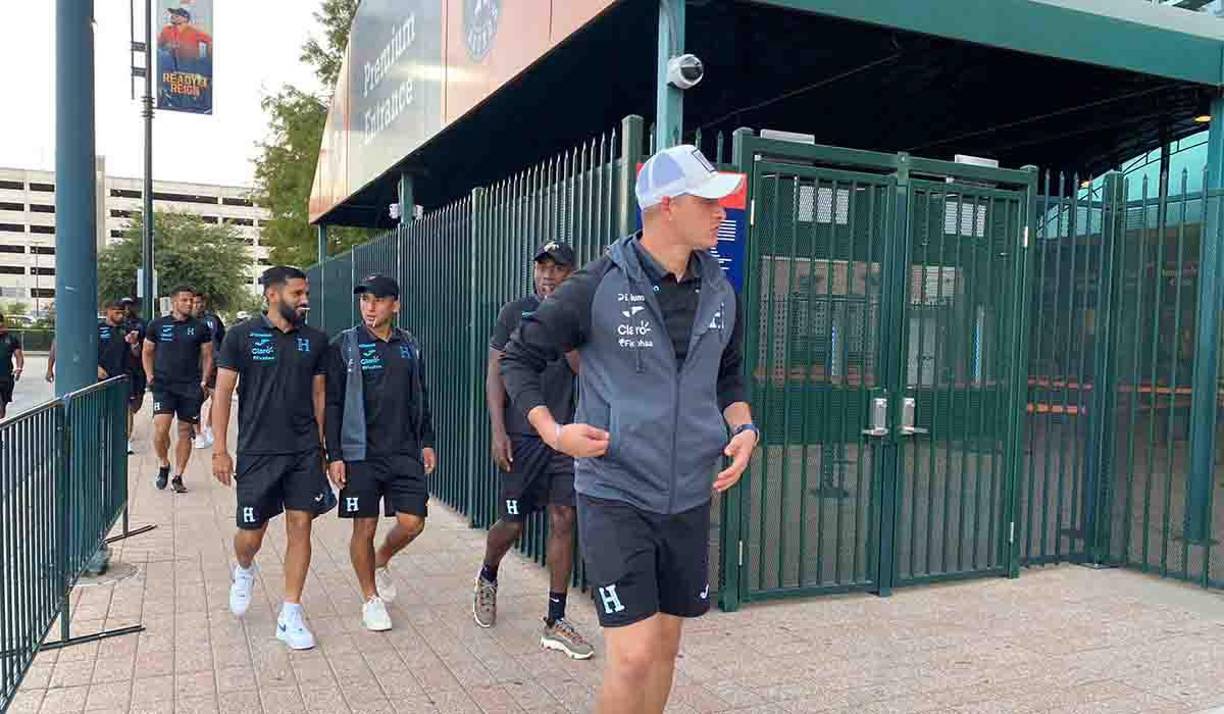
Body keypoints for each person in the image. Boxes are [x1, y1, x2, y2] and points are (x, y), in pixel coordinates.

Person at [500, 145, 760, 713]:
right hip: (616, 492)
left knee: (666, 648)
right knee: (634, 653)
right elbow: (518, 358)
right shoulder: (595, 286)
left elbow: (730, 375)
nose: (723, 213)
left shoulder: (721, 290)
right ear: (667, 206)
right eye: (708, 202)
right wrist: (552, 431)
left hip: (690, 493)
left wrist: (743, 430)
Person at [473, 241, 594, 660]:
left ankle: (555, 619)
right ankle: (488, 574)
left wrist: (562, 328)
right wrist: (497, 430)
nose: (546, 275)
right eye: (541, 268)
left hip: (566, 434)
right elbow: (496, 375)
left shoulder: (581, 317)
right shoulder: (513, 313)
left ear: (570, 274)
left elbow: (583, 368)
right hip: (522, 435)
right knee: (512, 524)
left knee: (564, 517)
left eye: (556, 269)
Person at [212, 266, 331, 651]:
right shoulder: (240, 337)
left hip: (303, 451)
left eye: (306, 293)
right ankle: (244, 569)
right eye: (298, 293)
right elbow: (222, 392)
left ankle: (290, 613)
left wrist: (325, 449)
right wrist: (219, 449)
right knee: (251, 536)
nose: (305, 300)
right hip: (257, 452)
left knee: (301, 526)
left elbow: (319, 398)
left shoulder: (315, 340)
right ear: (272, 295)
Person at [324, 274, 437, 632]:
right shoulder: (345, 345)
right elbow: (333, 403)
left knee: (412, 522)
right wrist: (335, 453)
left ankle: (381, 560)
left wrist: (427, 440)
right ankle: (371, 599)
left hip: (404, 450)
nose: (369, 307)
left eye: (378, 300)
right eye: (364, 300)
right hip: (361, 454)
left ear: (395, 305)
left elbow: (420, 396)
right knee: (365, 525)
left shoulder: (410, 345)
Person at [143, 286, 213, 493]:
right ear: (174, 302)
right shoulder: (157, 325)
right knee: (161, 428)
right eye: (184, 300)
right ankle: (164, 463)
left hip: (190, 386)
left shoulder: (200, 327)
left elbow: (208, 355)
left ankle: (178, 476)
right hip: (163, 385)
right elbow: (147, 352)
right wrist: (149, 376)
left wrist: (204, 381)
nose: (189, 304)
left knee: (184, 431)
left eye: (191, 300)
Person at [97, 300, 144, 445]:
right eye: (117, 312)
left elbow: (137, 353)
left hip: (124, 375)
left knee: (126, 408)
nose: (120, 315)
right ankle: (103, 437)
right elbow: (86, 352)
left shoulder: (128, 329)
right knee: (102, 409)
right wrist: (96, 367)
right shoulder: (96, 329)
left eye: (122, 312)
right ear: (108, 311)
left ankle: (126, 440)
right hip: (103, 375)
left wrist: (134, 343)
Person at [192, 291, 225, 449]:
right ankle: (197, 433)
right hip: (193, 366)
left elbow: (222, 339)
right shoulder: (187, 321)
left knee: (217, 397)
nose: (197, 305)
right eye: (194, 302)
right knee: (195, 400)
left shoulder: (213, 319)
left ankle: (209, 426)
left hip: (214, 363)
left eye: (200, 302)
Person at [0, 315, 24, 419]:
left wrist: (19, 368)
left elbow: (19, 355)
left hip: (6, 377)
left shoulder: (11, 338)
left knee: (3, 405)